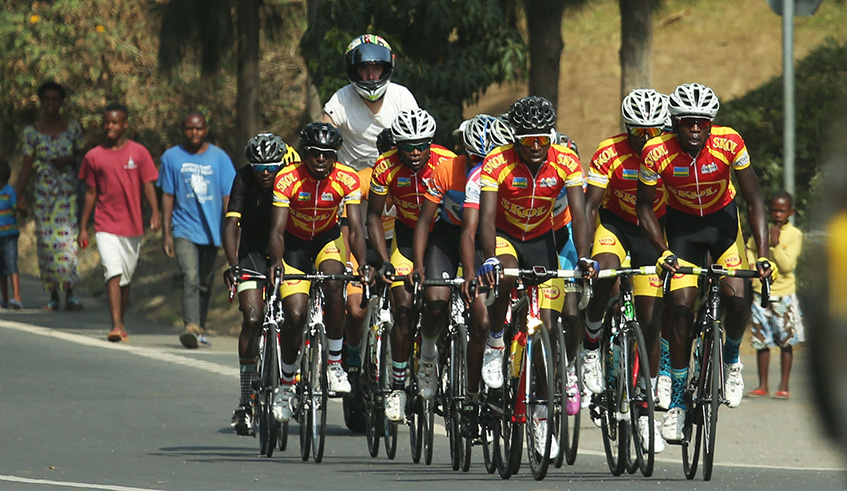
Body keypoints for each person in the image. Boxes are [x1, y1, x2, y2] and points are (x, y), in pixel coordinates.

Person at [636, 83, 775, 443]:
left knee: (738, 299)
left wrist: (763, 254)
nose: (695, 129)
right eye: (687, 122)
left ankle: (731, 359)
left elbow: (754, 200)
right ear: (675, 123)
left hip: (723, 225)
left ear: (711, 124)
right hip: (683, 230)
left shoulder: (730, 142)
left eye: (702, 122)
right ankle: (678, 403)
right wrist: (662, 250)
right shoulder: (655, 152)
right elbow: (644, 207)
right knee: (680, 308)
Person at [476, 96, 596, 457]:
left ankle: (542, 417)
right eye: (528, 140)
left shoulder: (566, 160)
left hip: (542, 239)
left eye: (543, 139)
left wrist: (584, 256)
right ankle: (496, 340)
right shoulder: (497, 161)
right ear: (516, 138)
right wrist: (490, 257)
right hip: (505, 235)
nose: (536, 147)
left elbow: (579, 214)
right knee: (506, 277)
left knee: (548, 325)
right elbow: (485, 218)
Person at [583, 88, 669, 452]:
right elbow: (589, 206)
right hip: (615, 225)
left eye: (653, 131)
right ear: (627, 128)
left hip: (652, 230)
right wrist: (585, 253)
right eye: (638, 131)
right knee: (605, 273)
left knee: (650, 320)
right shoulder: (609, 152)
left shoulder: (669, 152)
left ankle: (647, 412)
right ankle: (591, 341)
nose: (646, 138)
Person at [268, 122, 368, 423]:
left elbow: (355, 229)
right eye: (314, 153)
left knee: (335, 285)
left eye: (327, 154)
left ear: (336, 155)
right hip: (293, 244)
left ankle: (335, 363)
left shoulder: (347, 178)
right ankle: (286, 384)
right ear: (305, 154)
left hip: (327, 239)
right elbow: (276, 229)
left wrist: (362, 263)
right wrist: (276, 262)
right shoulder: (287, 178)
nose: (321, 159)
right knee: (296, 314)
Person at [367, 108, 456, 422]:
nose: (415, 153)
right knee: (403, 308)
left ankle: (431, 357)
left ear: (431, 143)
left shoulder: (447, 161)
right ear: (398, 146)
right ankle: (398, 387)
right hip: (405, 237)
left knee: (438, 305)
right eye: (407, 147)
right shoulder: (385, 166)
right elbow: (373, 217)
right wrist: (384, 261)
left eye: (421, 146)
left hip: (441, 236)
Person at [429, 114, 513, 437]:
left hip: (487, 239)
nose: (484, 164)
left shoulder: (502, 171)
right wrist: (468, 276)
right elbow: (458, 231)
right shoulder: (449, 170)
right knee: (474, 316)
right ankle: (470, 396)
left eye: (490, 157)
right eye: (477, 158)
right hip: (452, 238)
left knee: (491, 317)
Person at [223, 133, 298, 435]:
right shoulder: (243, 178)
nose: (265, 172)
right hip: (252, 248)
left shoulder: (292, 177)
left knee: (295, 311)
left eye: (271, 167)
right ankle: (245, 399)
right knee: (252, 317)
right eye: (259, 167)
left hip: (288, 246)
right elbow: (231, 224)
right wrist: (233, 265)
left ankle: (296, 375)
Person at [78, 103, 161, 342]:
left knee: (125, 278)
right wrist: (83, 227)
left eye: (115, 122)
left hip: (132, 226)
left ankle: (121, 321)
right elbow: (90, 193)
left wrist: (155, 212)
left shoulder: (139, 153)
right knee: (112, 271)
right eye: (106, 123)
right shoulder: (93, 156)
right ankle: (115, 325)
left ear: (125, 125)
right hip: (105, 224)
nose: (110, 127)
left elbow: (148, 184)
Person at [159, 111, 236, 349]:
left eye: (199, 128)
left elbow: (228, 197)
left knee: (205, 282)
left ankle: (199, 327)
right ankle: (190, 326)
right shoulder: (171, 157)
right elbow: (168, 195)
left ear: (206, 129)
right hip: (184, 228)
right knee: (190, 277)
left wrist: (232, 228)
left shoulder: (219, 158)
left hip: (212, 230)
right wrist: (166, 233)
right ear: (182, 130)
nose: (194, 133)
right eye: (189, 128)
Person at [17, 81, 85, 311]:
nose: (51, 104)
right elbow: (27, 164)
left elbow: (83, 157)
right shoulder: (31, 131)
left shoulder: (73, 128)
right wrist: (19, 194)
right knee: (46, 243)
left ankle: (70, 294)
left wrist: (69, 160)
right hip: (43, 192)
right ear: (41, 102)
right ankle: (53, 294)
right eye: (46, 99)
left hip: (67, 192)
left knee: (67, 242)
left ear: (62, 102)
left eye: (55, 99)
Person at [322, 34, 419, 171]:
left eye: (376, 68)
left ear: (386, 69)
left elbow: (418, 140)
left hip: (395, 173)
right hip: (352, 177)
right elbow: (323, 139)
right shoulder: (340, 99)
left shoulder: (402, 96)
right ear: (354, 71)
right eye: (363, 69)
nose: (371, 76)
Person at [746, 190, 803, 399]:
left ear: (791, 212)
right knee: (762, 341)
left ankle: (784, 386)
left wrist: (776, 244)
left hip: (783, 295)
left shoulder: (794, 235)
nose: (778, 214)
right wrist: (751, 264)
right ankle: (763, 385)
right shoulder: (763, 230)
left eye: (782, 211)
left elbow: (788, 266)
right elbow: (750, 248)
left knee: (786, 342)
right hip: (761, 294)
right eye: (774, 210)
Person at [0, 158, 23, 309]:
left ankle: (16, 296)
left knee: (11, 266)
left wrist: (22, 209)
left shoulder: (9, 192)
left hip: (9, 236)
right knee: (1, 270)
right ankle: (5, 299)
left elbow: (17, 208)